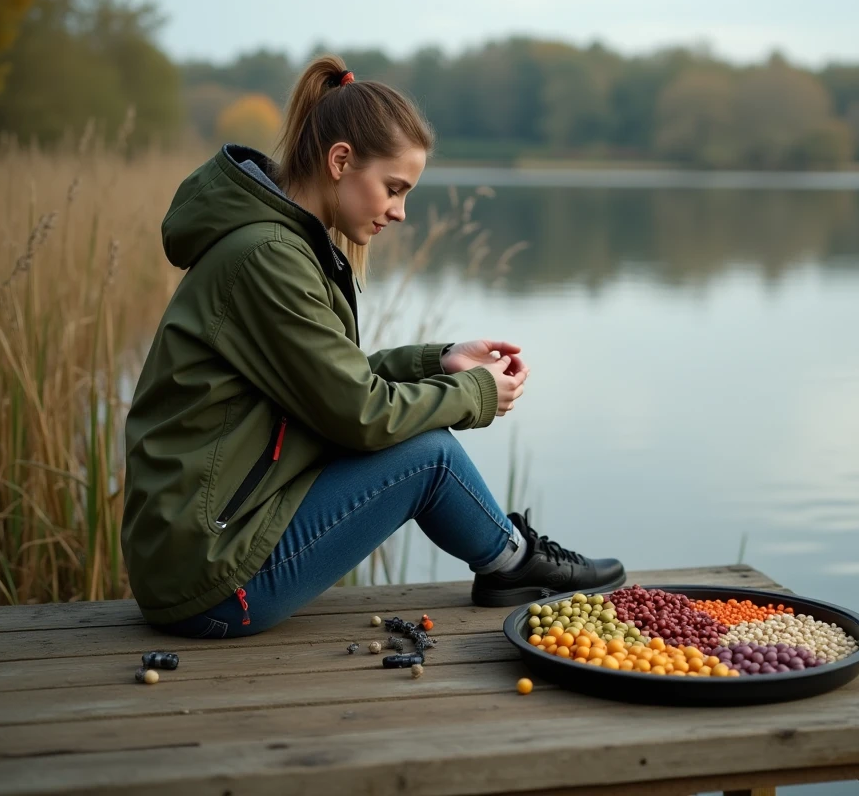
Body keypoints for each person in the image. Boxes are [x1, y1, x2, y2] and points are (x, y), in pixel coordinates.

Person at [121, 56, 625, 639]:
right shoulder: (268, 257)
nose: (400, 211)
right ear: (340, 161)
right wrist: (475, 393)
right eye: (393, 188)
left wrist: (437, 361)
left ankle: (510, 562)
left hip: (199, 560)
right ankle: (514, 565)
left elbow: (327, 384)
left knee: (424, 443)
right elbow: (359, 414)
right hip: (212, 581)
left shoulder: (277, 244)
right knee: (429, 456)